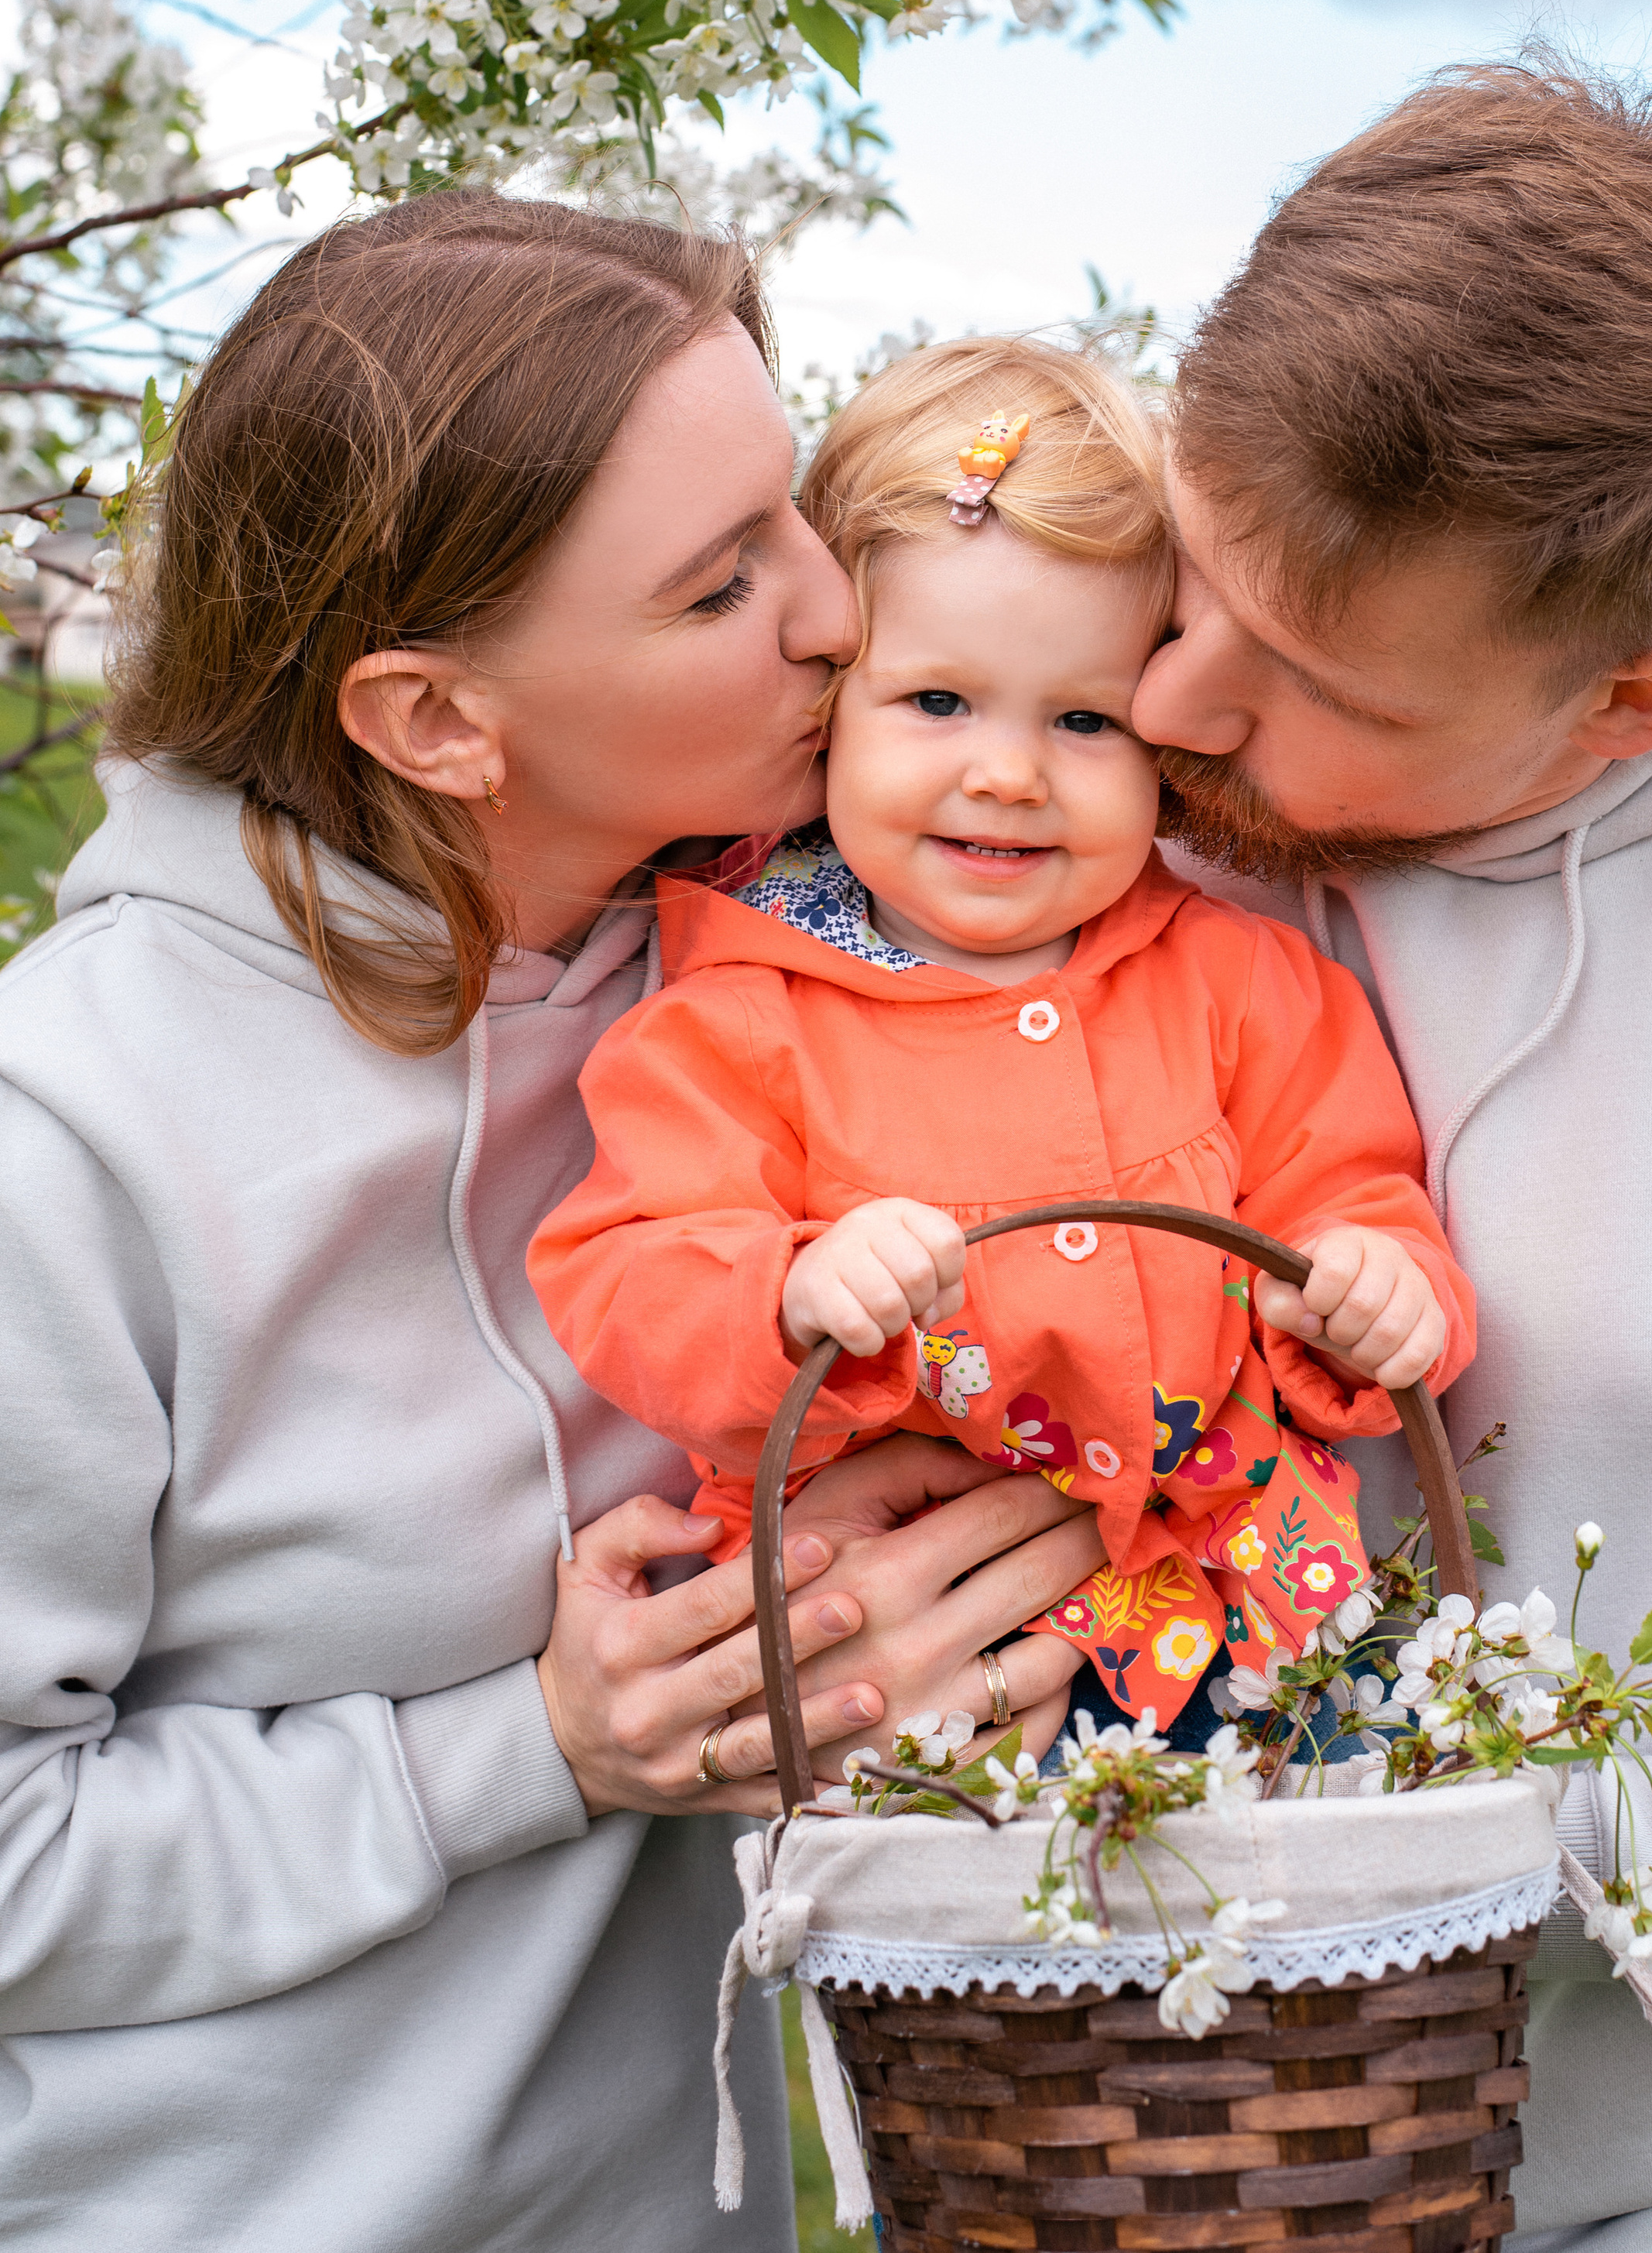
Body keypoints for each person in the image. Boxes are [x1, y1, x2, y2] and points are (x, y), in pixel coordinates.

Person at [0, 194, 1100, 2253]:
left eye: (794, 516)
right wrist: (535, 1750)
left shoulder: (772, 986)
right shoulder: (60, 1145)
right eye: (718, 587)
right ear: (437, 722)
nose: (838, 615)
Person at [1132, 60, 1652, 2253]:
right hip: (1088, 2163)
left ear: (1633, 710)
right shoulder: (1107, 766)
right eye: (1185, 568)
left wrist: (1411, 1864)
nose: (1167, 710)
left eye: (1312, 677)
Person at [530, 338, 1475, 1743]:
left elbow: (1347, 1185)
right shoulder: (737, 1016)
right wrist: (791, 1287)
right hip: (910, 1643)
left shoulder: (1237, 978)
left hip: (1246, 1612)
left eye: (1085, 717)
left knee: (1300, 1932)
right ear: (830, 703)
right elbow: (628, 1265)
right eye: (936, 701)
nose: (1008, 771)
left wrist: (1380, 1288)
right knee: (957, 1942)